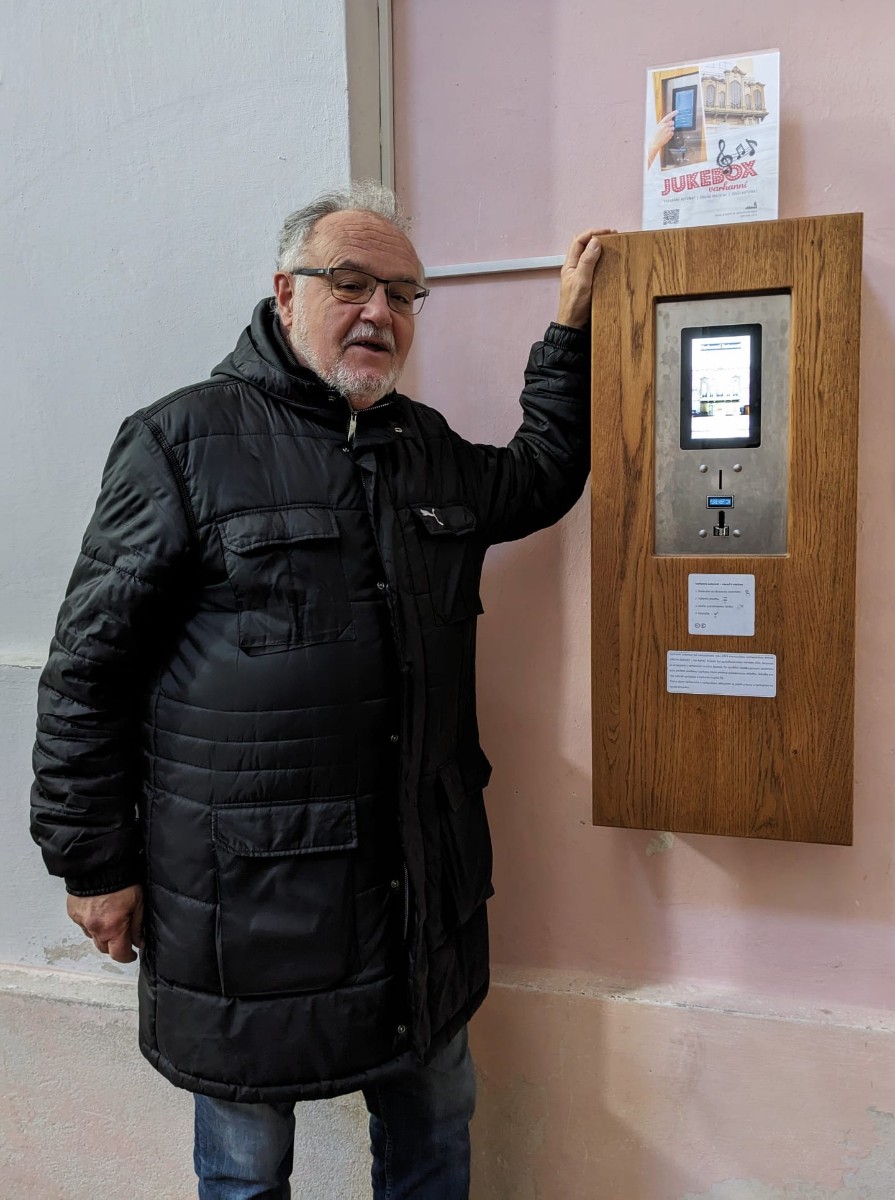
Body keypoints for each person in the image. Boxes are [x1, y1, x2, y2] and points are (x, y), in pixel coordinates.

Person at [30, 181, 607, 1199]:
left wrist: (568, 329)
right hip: (245, 908)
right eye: (349, 283)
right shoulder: (181, 442)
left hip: (414, 889)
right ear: (284, 292)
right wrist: (92, 864)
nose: (379, 310)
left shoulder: (421, 445)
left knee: (435, 1132)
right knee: (247, 1168)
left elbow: (538, 476)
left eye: (403, 293)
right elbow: (88, 669)